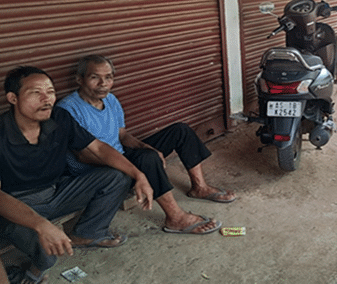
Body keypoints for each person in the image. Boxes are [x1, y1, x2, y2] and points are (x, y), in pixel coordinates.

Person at [0, 66, 154, 284]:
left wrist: (139, 175)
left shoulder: (59, 117)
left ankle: (88, 233)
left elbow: (99, 149)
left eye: (50, 91)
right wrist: (41, 224)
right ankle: (35, 272)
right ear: (13, 98)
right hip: (14, 207)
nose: (46, 99)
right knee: (50, 254)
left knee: (117, 176)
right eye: (36, 93)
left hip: (56, 192)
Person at [57, 54, 235, 236]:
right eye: (95, 77)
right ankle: (175, 217)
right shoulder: (68, 109)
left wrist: (146, 147)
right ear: (79, 79)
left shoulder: (110, 100)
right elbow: (84, 155)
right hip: (94, 168)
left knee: (179, 131)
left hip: (119, 153)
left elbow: (122, 135)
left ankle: (199, 187)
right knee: (147, 160)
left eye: (108, 77)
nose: (103, 83)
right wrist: (138, 162)